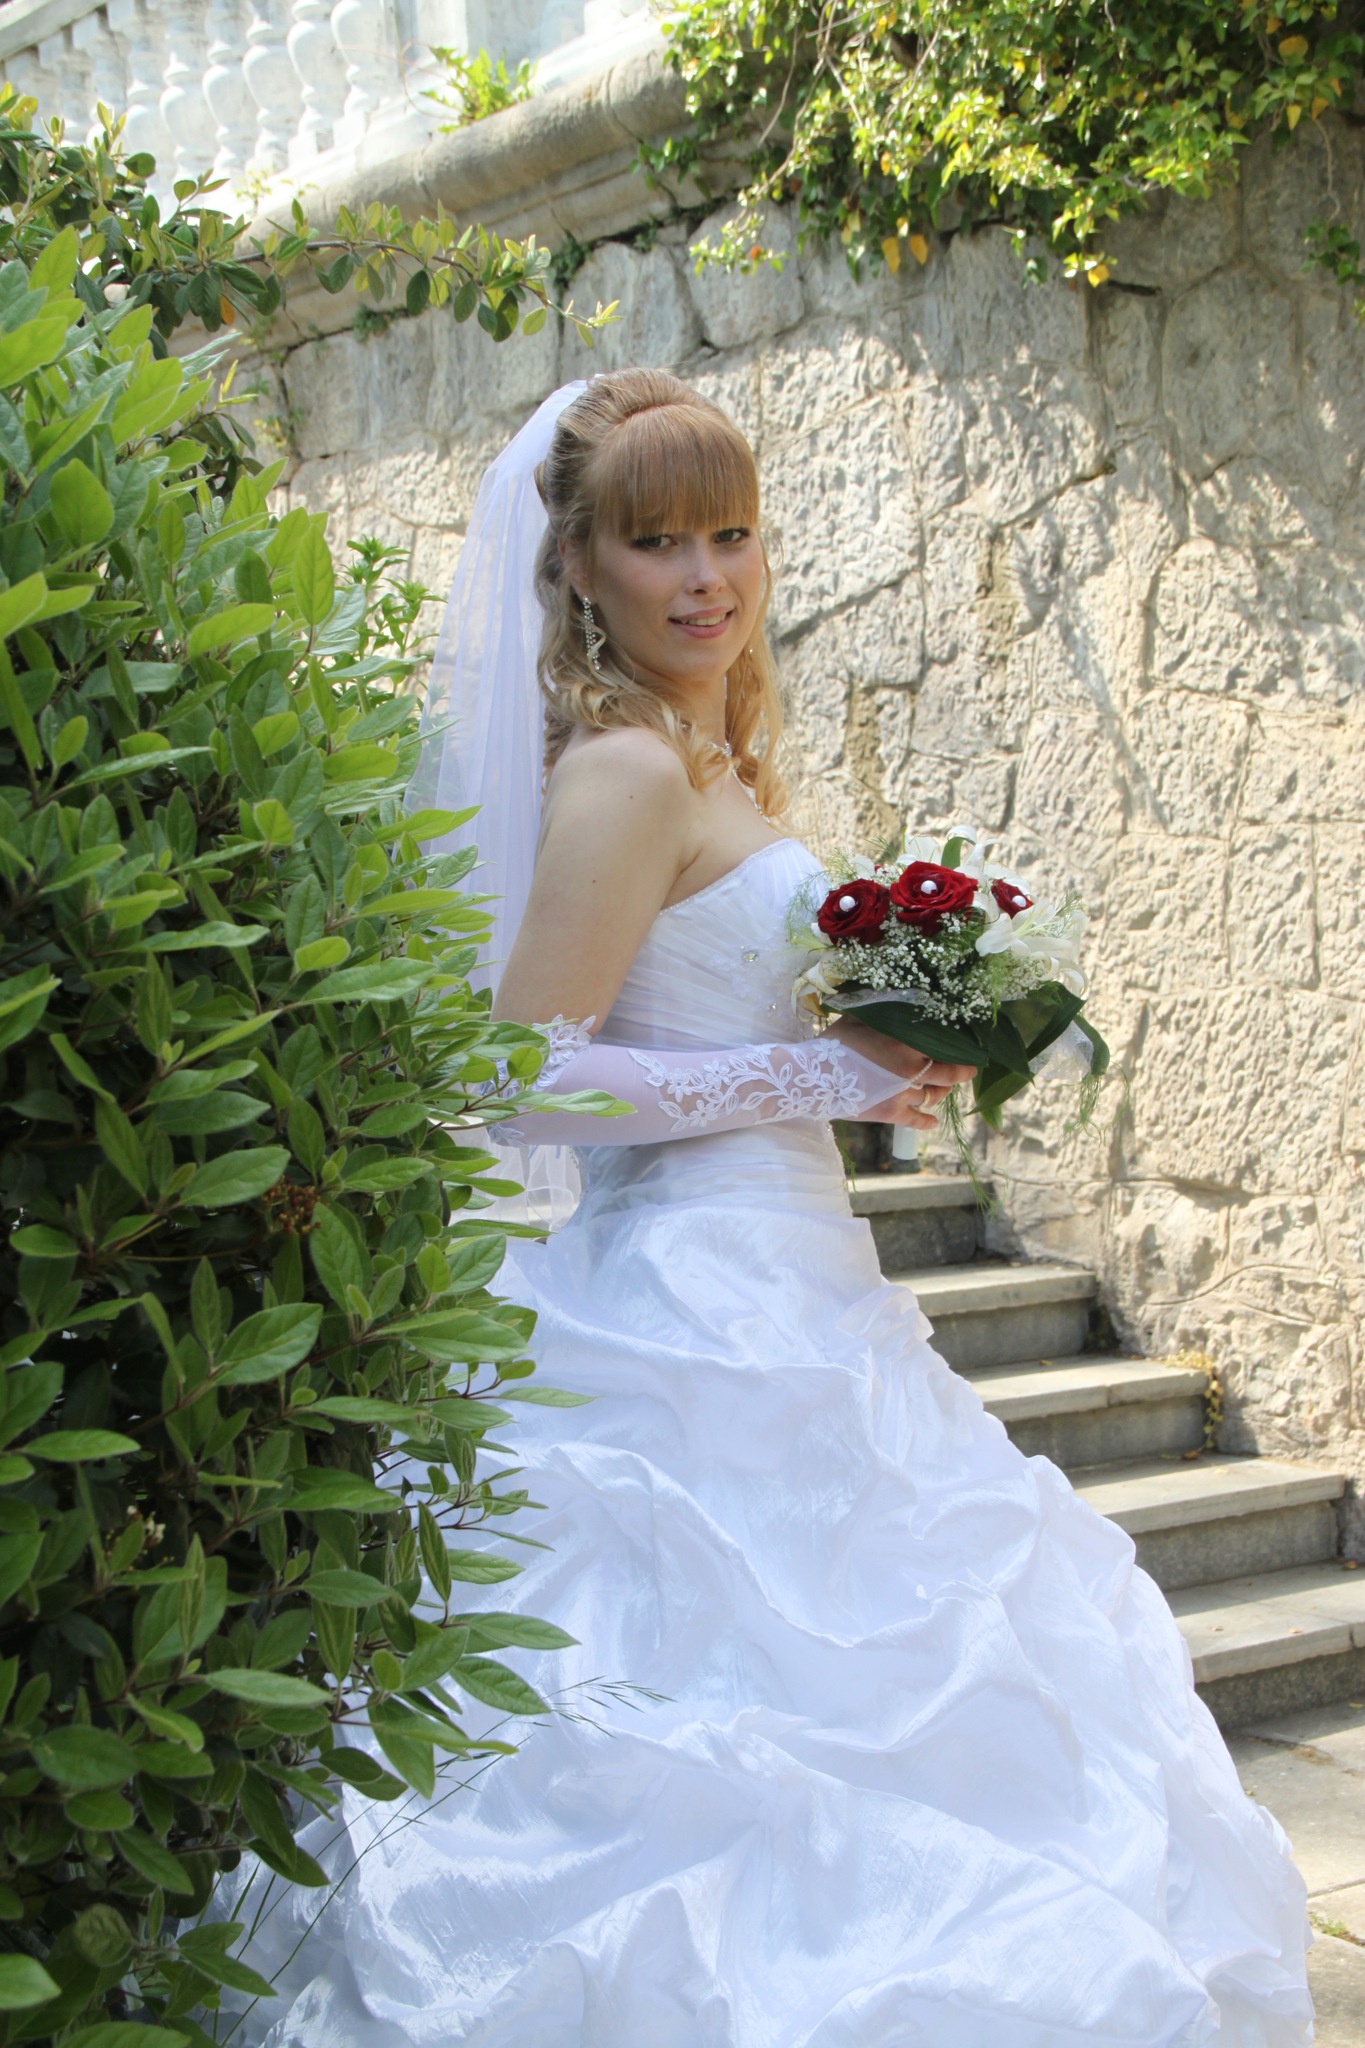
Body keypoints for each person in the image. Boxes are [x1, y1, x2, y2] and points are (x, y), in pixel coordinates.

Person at [237, 372, 1312, 2045]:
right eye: (654, 541)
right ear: (573, 565)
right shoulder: (623, 772)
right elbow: (523, 1077)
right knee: (734, 1719)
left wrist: (895, 1032)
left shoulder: (705, 757)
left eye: (729, 533)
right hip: (685, 1299)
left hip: (799, 1274)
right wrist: (824, 1075)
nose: (704, 577)